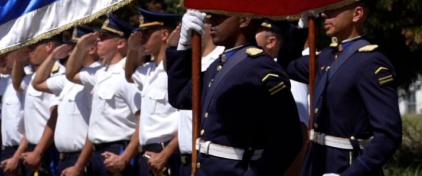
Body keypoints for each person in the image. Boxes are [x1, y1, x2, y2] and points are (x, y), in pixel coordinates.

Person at [166, 11, 301, 175]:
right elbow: (180, 97)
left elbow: (287, 141)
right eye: (210, 16)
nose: (211, 21)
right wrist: (184, 46)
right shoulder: (219, 65)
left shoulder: (261, 69)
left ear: (244, 20)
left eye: (220, 16)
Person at [286, 2, 401, 176]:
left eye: (334, 8)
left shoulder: (370, 62)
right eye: (325, 9)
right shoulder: (326, 57)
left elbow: (388, 135)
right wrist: (298, 25)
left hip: (346, 163)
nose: (324, 14)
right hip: (316, 162)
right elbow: (287, 66)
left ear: (357, 14)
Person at [66, 14, 140, 176]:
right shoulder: (99, 72)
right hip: (96, 153)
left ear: (120, 43)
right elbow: (70, 74)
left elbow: (142, 120)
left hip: (118, 150)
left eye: (104, 37)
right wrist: (79, 48)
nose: (98, 40)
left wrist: (125, 157)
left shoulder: (127, 74)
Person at [32, 27, 98, 176]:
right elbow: (37, 83)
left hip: (83, 158)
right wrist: (53, 57)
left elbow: (96, 124)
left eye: (76, 47)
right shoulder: (67, 80)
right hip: (64, 159)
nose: (71, 52)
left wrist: (80, 165)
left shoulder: (96, 76)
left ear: (92, 49)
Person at [125, 9, 182, 176]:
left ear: (164, 34)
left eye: (147, 33)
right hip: (148, 155)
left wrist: (166, 153)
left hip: (166, 154)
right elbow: (129, 74)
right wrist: (133, 49)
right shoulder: (149, 70)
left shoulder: (176, 70)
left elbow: (189, 120)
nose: (141, 38)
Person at [172, 19, 222, 176]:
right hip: (184, 161)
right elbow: (178, 97)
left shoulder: (220, 58)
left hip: (208, 160)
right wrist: (181, 45)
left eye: (206, 20)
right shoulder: (191, 61)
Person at [18, 36, 65, 176]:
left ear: (49, 46)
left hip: (47, 151)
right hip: (34, 150)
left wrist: (38, 152)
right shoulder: (36, 75)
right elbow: (33, 121)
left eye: (33, 47)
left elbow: (55, 116)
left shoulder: (56, 74)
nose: (29, 52)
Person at [0, 51, 29, 176]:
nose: (4, 56)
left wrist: (16, 157)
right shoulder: (6, 82)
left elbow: (31, 124)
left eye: (9, 52)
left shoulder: (28, 79)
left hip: (21, 150)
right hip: (7, 149)